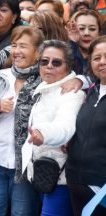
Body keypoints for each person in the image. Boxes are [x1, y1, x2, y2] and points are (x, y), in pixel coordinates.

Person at [0, 26, 44, 216]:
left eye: (23, 46)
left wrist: (80, 80)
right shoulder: (0, 76)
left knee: (21, 213)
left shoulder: (45, 81)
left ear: (37, 53)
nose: (17, 51)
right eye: (14, 45)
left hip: (25, 164)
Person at [23, 40, 84, 216]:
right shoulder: (44, 89)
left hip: (61, 177)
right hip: (44, 173)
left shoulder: (71, 94)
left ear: (67, 66)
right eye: (44, 61)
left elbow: (65, 126)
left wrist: (43, 133)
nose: (49, 66)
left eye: (56, 62)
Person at [66, 36, 106, 216]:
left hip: (101, 188)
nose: (102, 62)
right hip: (76, 180)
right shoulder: (90, 91)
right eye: (97, 58)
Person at [67, 9, 101, 75]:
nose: (87, 33)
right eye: (81, 28)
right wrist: (73, 43)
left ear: (99, 32)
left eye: (92, 29)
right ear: (72, 29)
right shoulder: (63, 51)